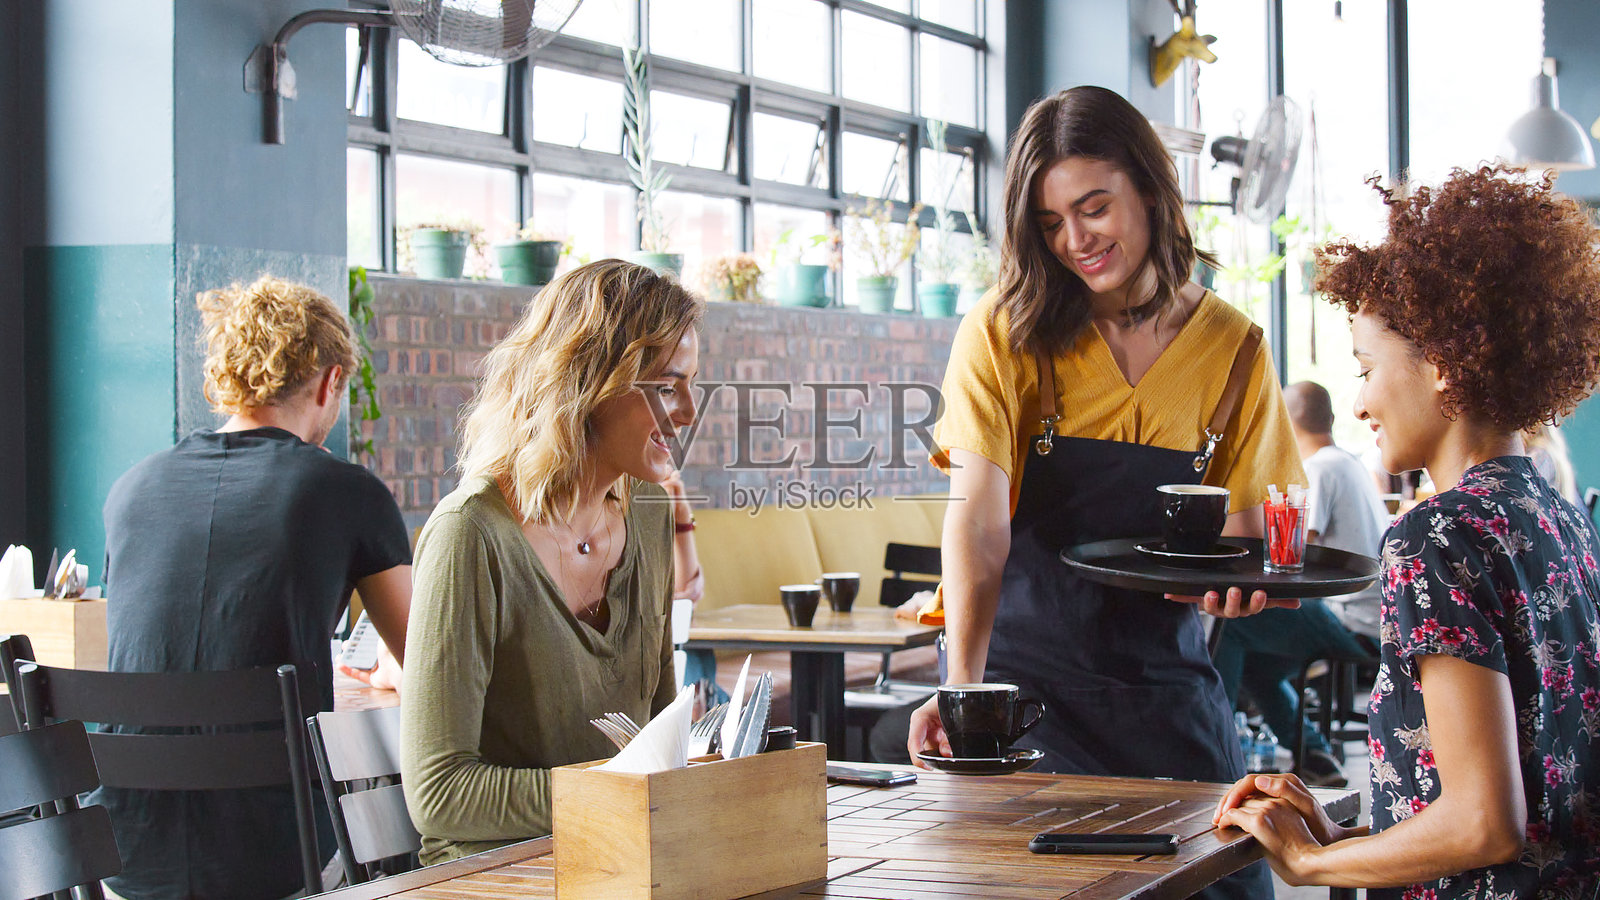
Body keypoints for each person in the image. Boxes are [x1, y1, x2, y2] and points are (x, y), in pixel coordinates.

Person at [905, 86, 1305, 900]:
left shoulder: (1234, 349)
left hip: (1169, 697)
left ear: (1151, 191)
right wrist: (964, 689)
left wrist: (1240, 581)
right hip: (1025, 702)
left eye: (1094, 208)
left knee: (1225, 887)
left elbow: (1246, 532)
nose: (1075, 240)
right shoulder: (1004, 332)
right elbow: (978, 526)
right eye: (1051, 222)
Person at [1214, 165, 1600, 897]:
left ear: (1445, 368)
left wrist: (1309, 864)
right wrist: (1339, 840)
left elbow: (1485, 824)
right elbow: (1533, 801)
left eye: (1366, 369)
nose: (1360, 404)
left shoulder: (1435, 537)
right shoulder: (1560, 518)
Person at [98, 275, 412, 900]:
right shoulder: (345, 491)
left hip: (123, 853)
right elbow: (430, 667)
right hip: (279, 858)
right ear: (330, 381)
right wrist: (393, 673)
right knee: (397, 824)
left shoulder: (131, 489)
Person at [401, 260, 700, 864]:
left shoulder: (648, 514)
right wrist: (619, 794)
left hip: (620, 858)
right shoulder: (471, 535)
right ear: (590, 382)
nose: (691, 411)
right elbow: (439, 795)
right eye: (667, 387)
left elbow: (660, 743)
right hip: (496, 873)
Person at [1211, 380, 1383, 787]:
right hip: (1375, 615)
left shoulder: (1319, 469)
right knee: (1257, 669)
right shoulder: (1348, 462)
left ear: (1284, 423)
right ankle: (1316, 757)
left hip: (1351, 617)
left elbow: (1295, 548)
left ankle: (1216, 750)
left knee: (1231, 627)